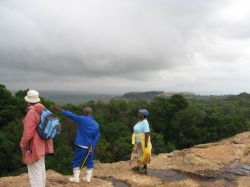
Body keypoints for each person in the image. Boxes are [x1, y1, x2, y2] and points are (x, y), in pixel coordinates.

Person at [51, 105, 100, 183]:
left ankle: (76, 178)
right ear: (91, 113)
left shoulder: (82, 119)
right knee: (90, 161)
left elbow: (71, 115)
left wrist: (60, 110)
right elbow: (97, 136)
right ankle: (88, 178)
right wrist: (92, 145)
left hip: (82, 145)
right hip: (91, 146)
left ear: (84, 113)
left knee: (76, 161)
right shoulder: (96, 124)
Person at [20, 90, 54, 187]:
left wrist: (22, 145)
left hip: (34, 146)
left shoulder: (31, 112)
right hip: (44, 144)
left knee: (35, 172)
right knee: (40, 169)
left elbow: (28, 134)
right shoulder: (43, 109)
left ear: (27, 101)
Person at [130, 109, 152, 174]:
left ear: (143, 115)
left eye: (139, 113)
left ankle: (144, 168)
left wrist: (145, 144)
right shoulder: (140, 121)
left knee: (143, 154)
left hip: (142, 142)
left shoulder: (145, 122)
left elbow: (147, 133)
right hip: (138, 141)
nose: (138, 114)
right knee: (137, 154)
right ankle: (139, 166)